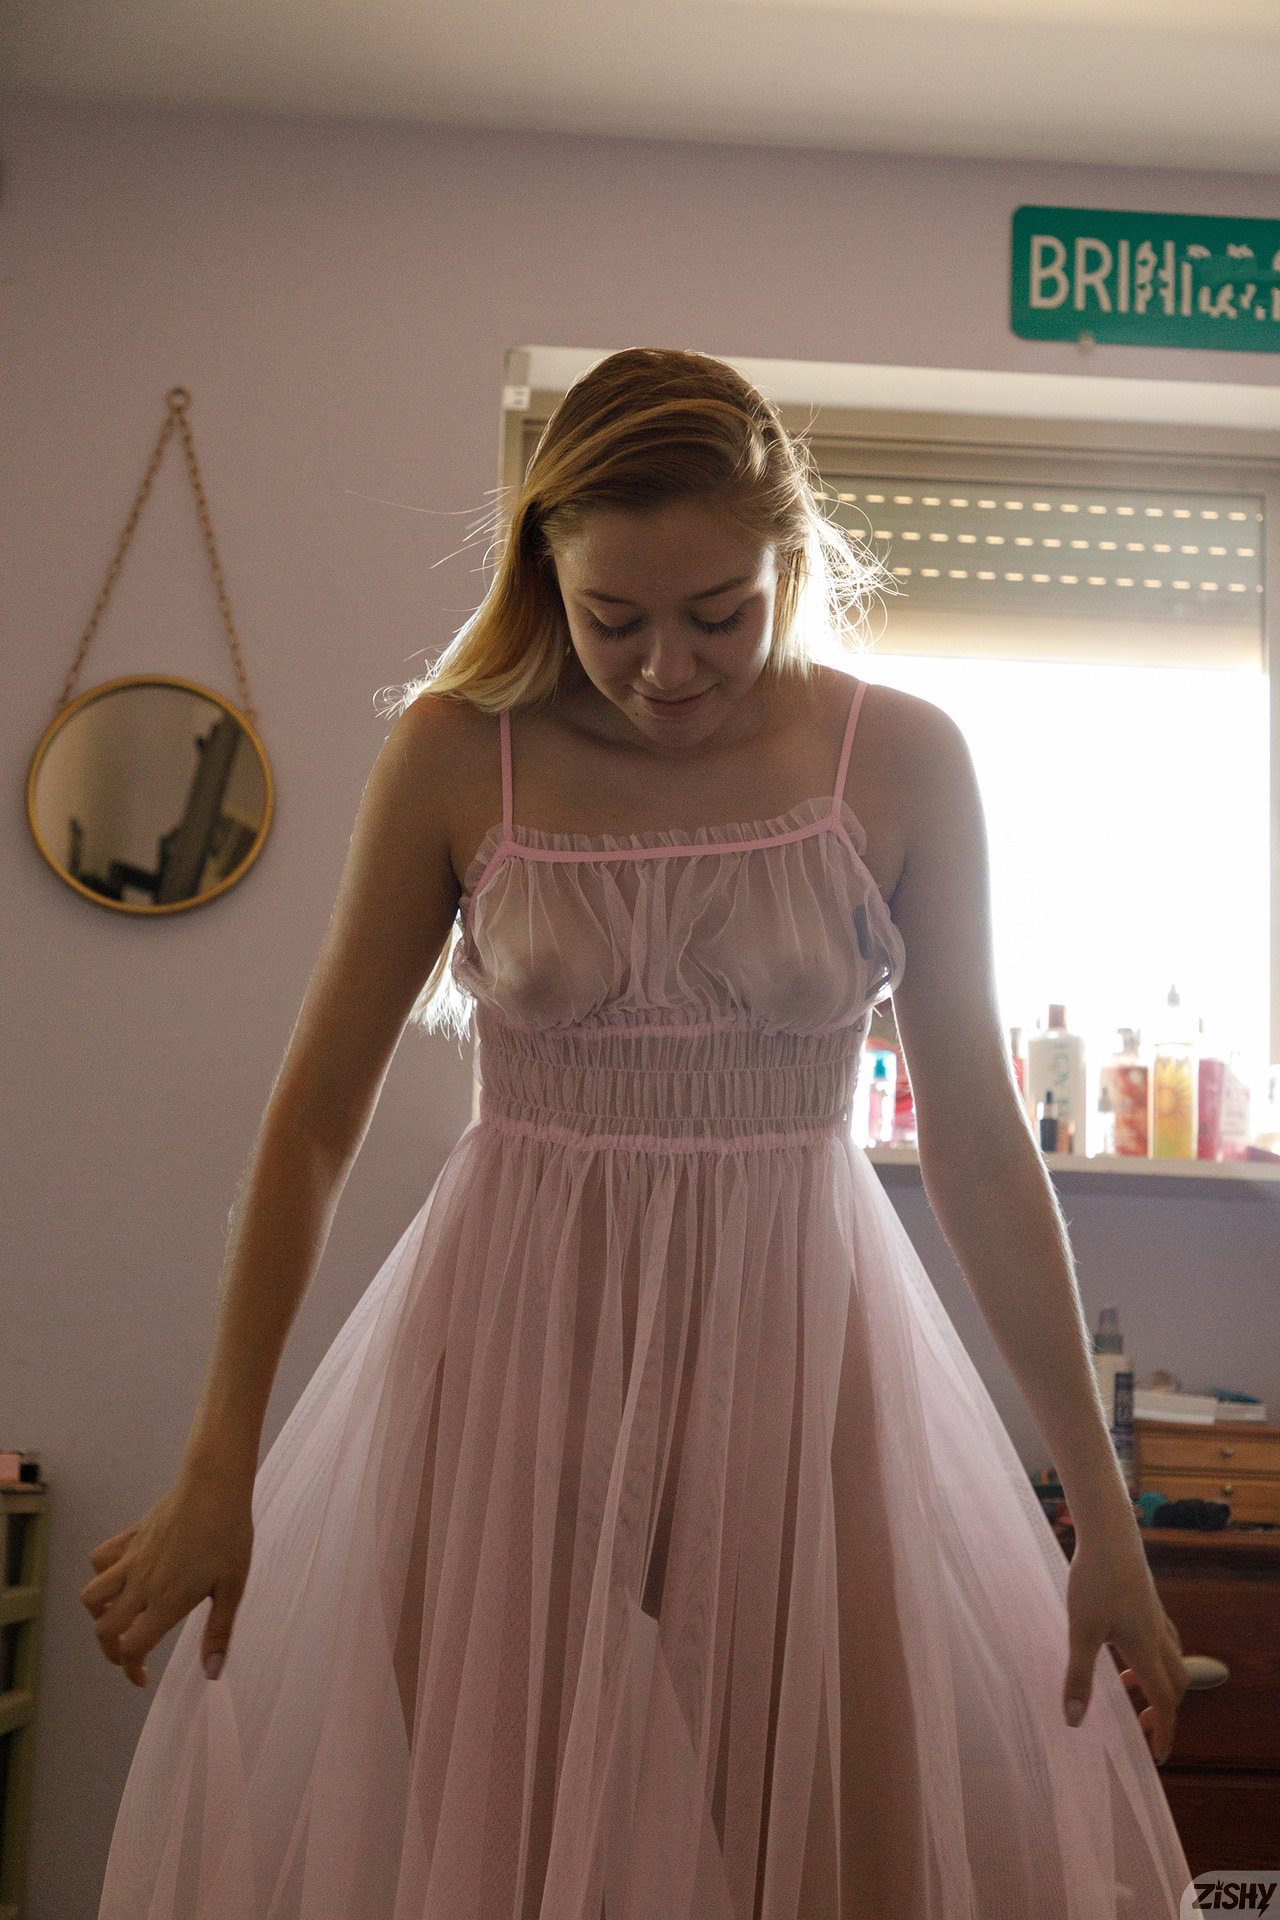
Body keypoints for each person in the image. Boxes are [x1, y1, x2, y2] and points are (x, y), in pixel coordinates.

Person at [84, 347, 1190, 1918]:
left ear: (787, 565)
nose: (668, 668)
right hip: (506, 1363)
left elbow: (979, 1141)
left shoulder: (900, 758)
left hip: (795, 1366)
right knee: (503, 1868)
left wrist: (1103, 1517)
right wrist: (219, 1463)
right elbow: (317, 1114)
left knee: (850, 1869)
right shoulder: (459, 751)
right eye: (615, 619)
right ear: (546, 572)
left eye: (719, 615)